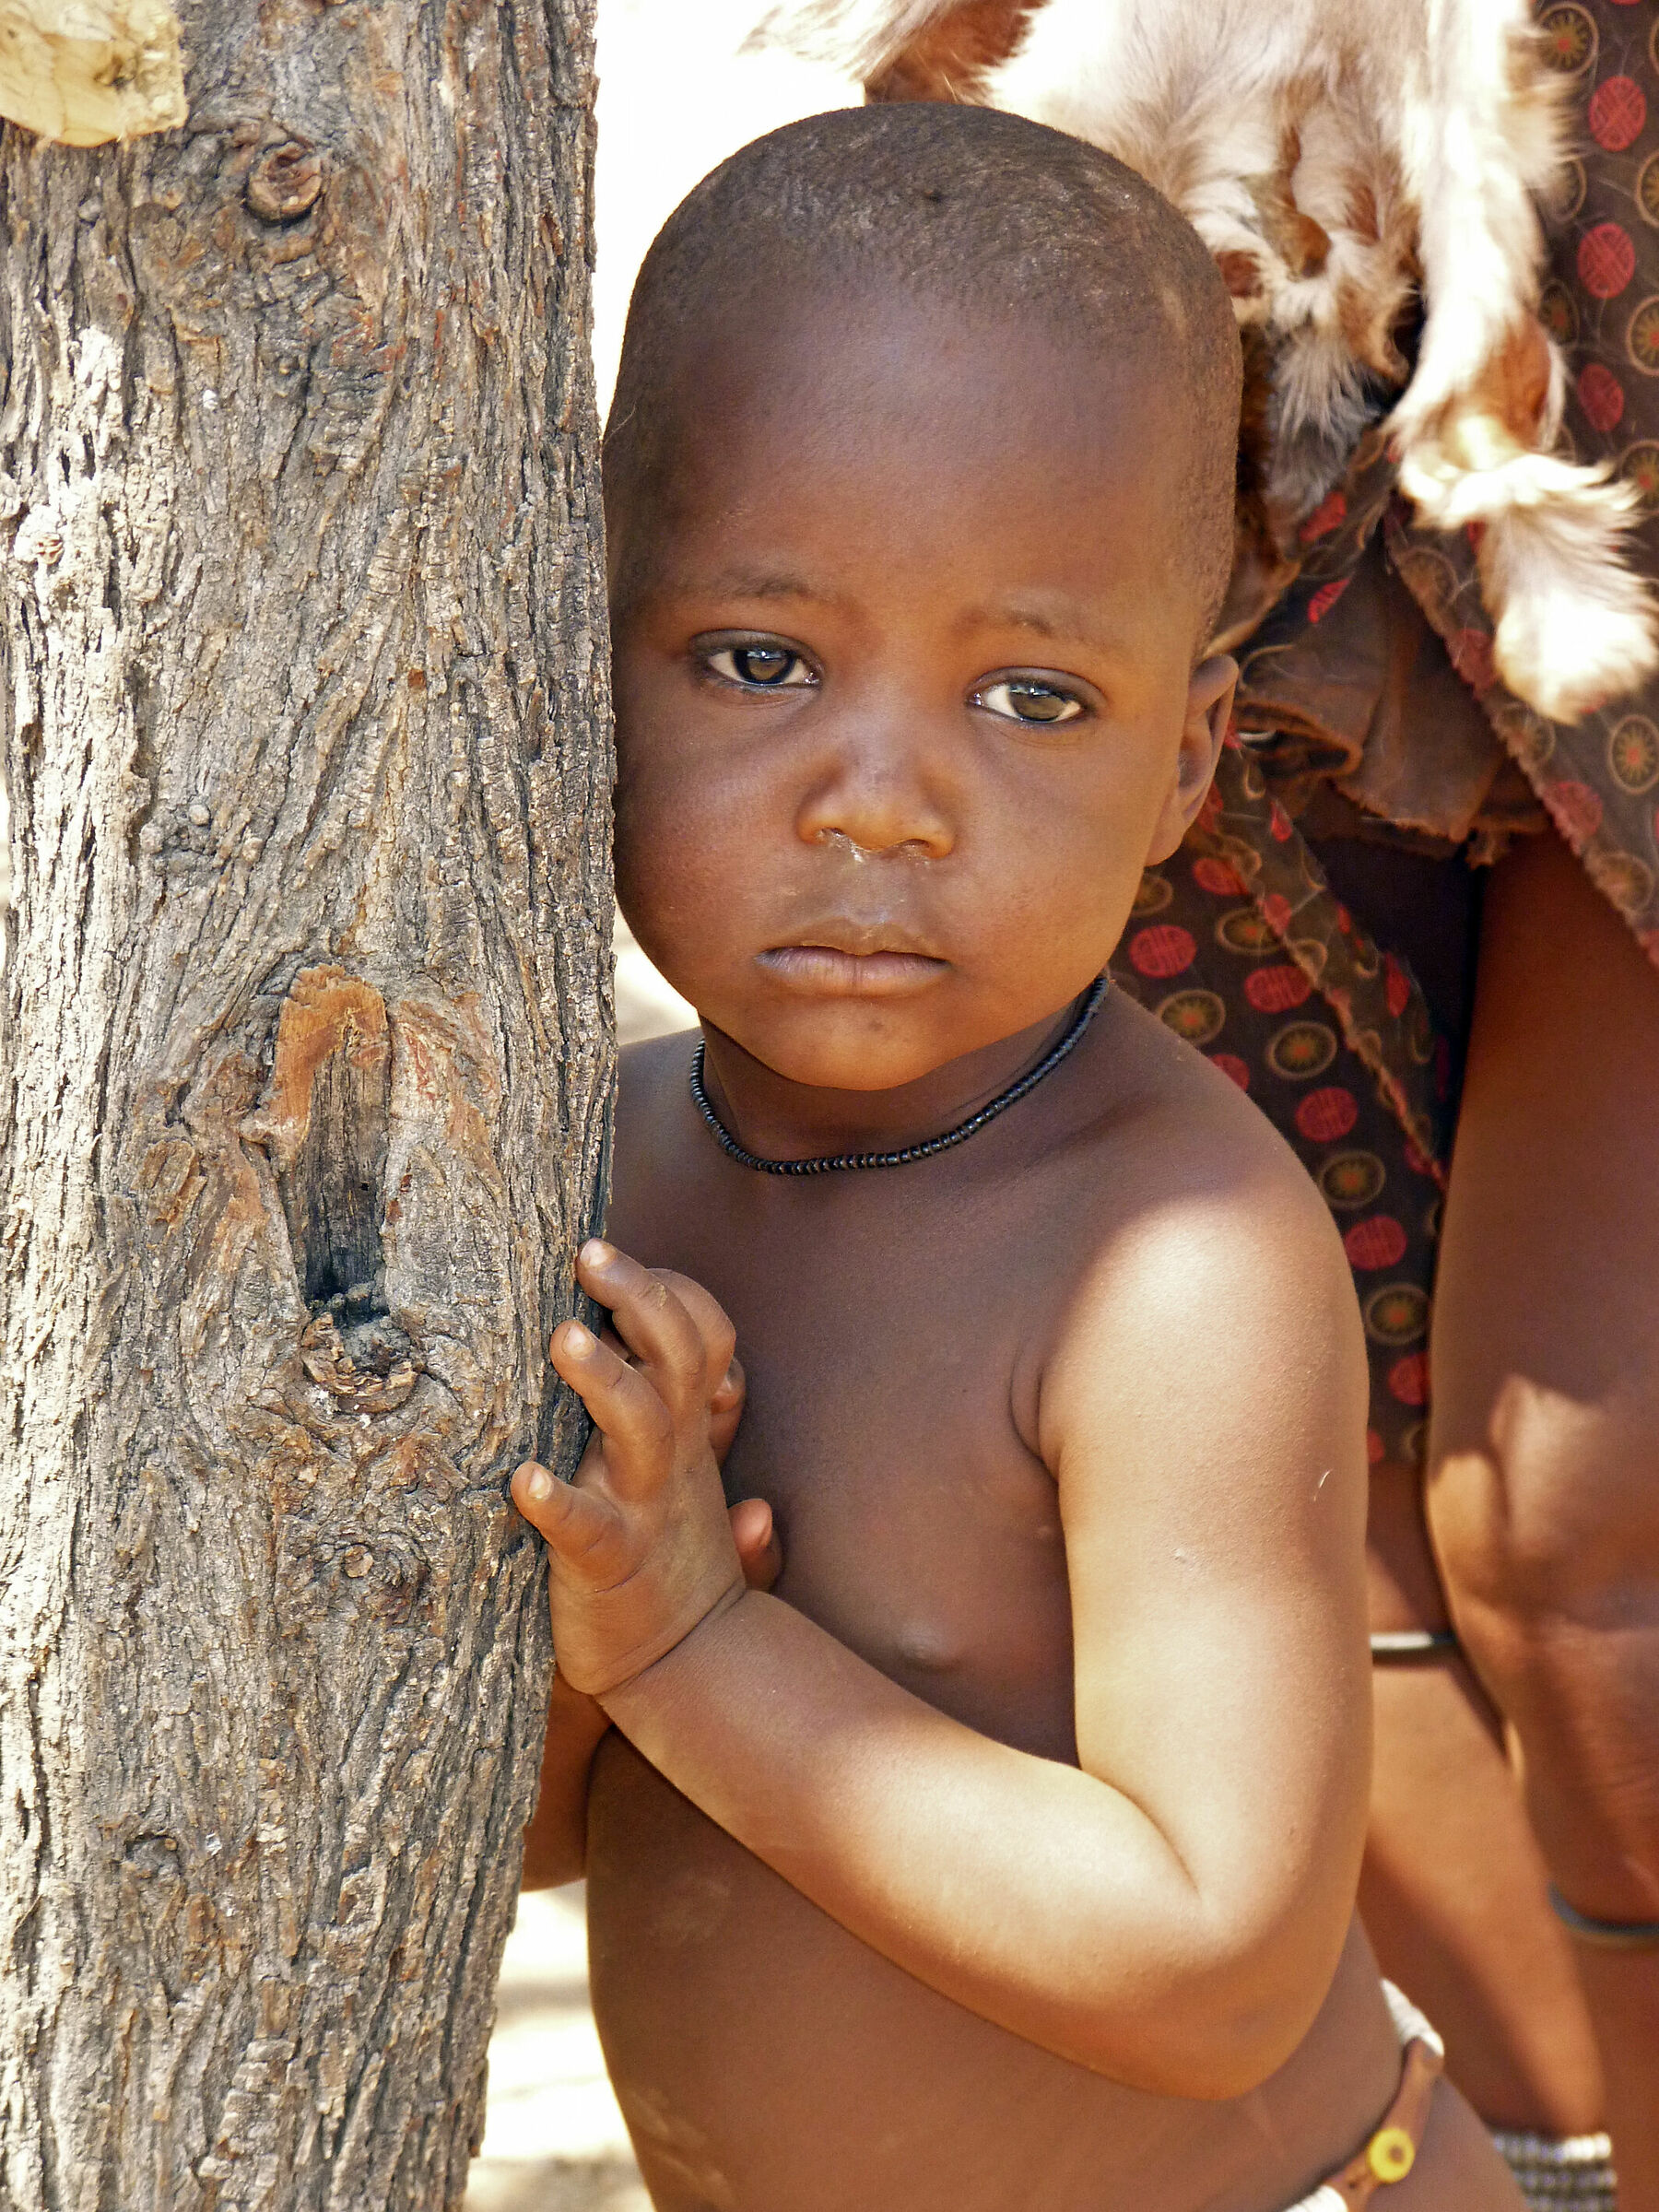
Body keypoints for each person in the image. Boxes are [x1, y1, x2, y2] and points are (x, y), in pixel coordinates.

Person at [508, 103, 1525, 2212]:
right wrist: (604, 1649)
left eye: (1033, 699)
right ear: (574, 655)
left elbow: (1213, 1964)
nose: (883, 803)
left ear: (1189, 758)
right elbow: (512, 1828)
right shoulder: (581, 1174)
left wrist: (694, 1643)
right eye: (762, 661)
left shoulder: (1169, 1262)